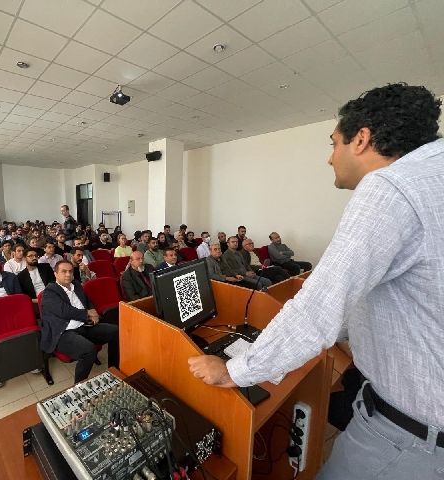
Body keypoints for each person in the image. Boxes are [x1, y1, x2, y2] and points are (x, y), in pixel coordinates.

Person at [188, 84, 444, 480]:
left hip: (409, 433)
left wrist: (233, 370)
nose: (330, 158)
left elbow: (319, 309)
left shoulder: (391, 186)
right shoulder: (431, 176)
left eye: (333, 143)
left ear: (361, 140)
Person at [39, 260, 119, 383]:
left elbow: (87, 301)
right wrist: (87, 313)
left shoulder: (76, 284)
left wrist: (94, 313)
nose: (68, 274)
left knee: (117, 332)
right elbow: (64, 311)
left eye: (70, 271)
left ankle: (114, 370)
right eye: (64, 271)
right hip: (63, 332)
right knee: (88, 350)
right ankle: (79, 386)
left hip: (85, 325)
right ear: (55, 274)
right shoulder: (50, 291)